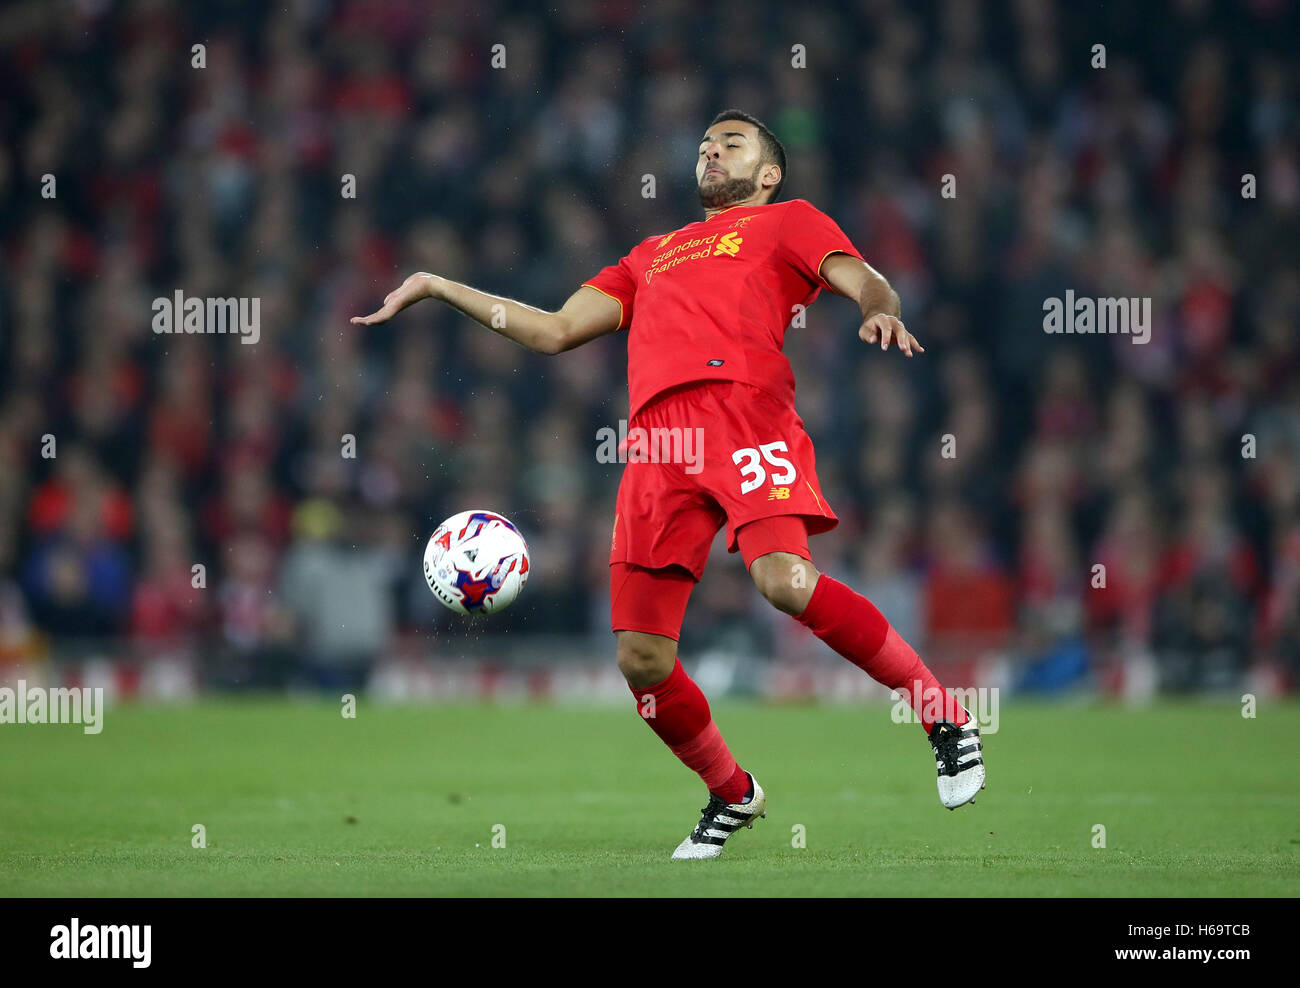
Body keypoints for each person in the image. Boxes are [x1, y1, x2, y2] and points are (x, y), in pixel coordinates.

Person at [352, 110, 985, 859]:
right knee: (641, 659)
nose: (713, 151)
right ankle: (731, 792)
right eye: (705, 144)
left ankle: (943, 715)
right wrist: (437, 285)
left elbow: (864, 277)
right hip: (656, 442)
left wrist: (880, 309)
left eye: (733, 143)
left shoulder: (788, 222)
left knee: (784, 581)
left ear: (770, 171)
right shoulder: (651, 253)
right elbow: (555, 331)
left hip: (745, 414)